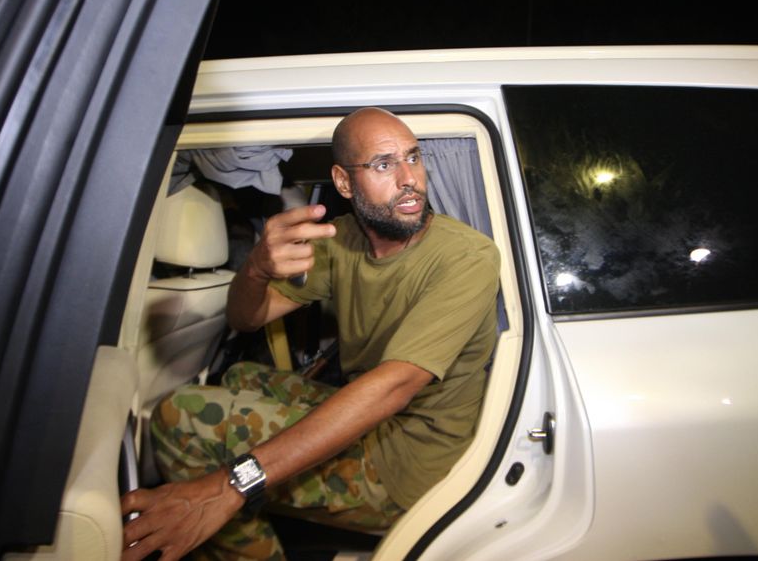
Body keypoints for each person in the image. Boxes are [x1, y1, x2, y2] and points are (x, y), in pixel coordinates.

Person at [121, 108, 501, 560]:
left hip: (411, 462)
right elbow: (247, 318)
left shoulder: (467, 257)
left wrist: (230, 486)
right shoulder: (342, 238)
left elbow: (394, 387)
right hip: (377, 421)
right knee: (242, 376)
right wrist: (256, 268)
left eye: (413, 158)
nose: (409, 179)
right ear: (344, 182)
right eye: (384, 164)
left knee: (180, 416)